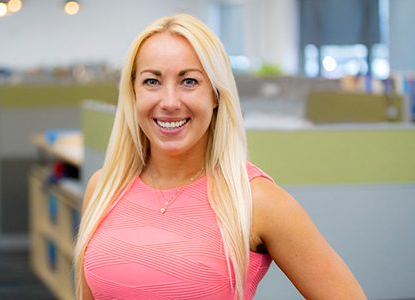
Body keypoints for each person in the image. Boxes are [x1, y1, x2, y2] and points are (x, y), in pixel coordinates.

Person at [74, 14, 367, 300]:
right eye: (152, 81)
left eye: (189, 81)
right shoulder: (104, 188)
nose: (170, 102)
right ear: (133, 93)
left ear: (215, 95)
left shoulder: (255, 199)